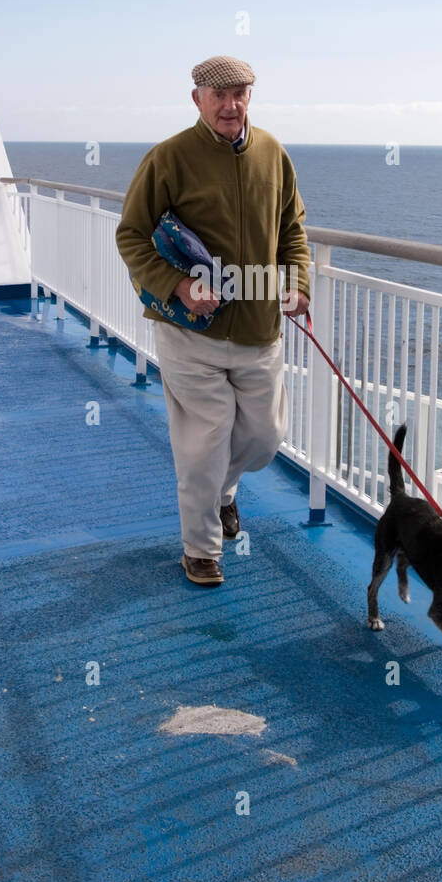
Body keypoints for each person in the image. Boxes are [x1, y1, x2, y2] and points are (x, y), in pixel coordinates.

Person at [115, 55, 311, 585]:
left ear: (251, 96)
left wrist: (297, 284)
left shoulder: (273, 153)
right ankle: (201, 550)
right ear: (197, 99)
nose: (230, 105)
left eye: (239, 93)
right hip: (188, 332)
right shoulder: (169, 158)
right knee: (204, 444)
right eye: (217, 94)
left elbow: (292, 229)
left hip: (258, 330)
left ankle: (225, 492)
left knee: (265, 438)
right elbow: (130, 234)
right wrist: (177, 285)